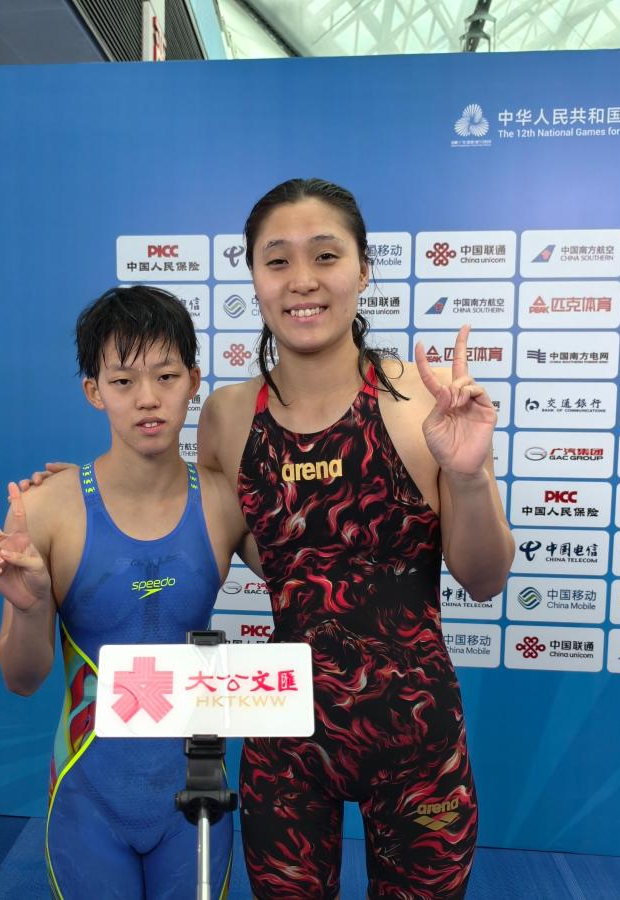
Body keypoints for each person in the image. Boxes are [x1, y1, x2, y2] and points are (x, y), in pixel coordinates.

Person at [197, 178, 515, 899]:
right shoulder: (227, 416)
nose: (302, 280)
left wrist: (468, 476)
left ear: (364, 269)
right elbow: (203, 542)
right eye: (277, 260)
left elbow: (485, 578)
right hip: (285, 741)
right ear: (254, 276)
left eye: (326, 255)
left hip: (417, 738)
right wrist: (82, 494)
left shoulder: (422, 404)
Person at [0, 285, 251, 900]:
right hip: (87, 795)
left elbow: (319, 581)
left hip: (197, 790)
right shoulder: (48, 510)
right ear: (94, 391)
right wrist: (30, 607)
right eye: (123, 381)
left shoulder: (226, 501)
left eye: (166, 376)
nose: (147, 398)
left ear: (193, 381)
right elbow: (21, 679)